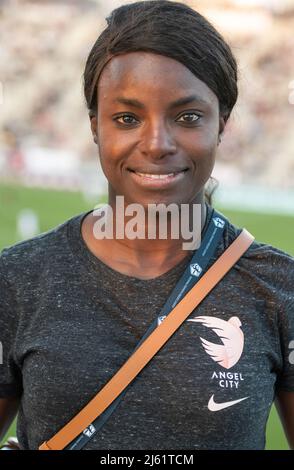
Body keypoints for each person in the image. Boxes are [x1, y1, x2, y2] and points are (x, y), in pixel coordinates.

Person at [0, 0, 293, 451]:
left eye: (188, 117)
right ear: (95, 125)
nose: (157, 144)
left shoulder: (279, 289)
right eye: (127, 118)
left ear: (223, 125)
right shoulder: (16, 281)